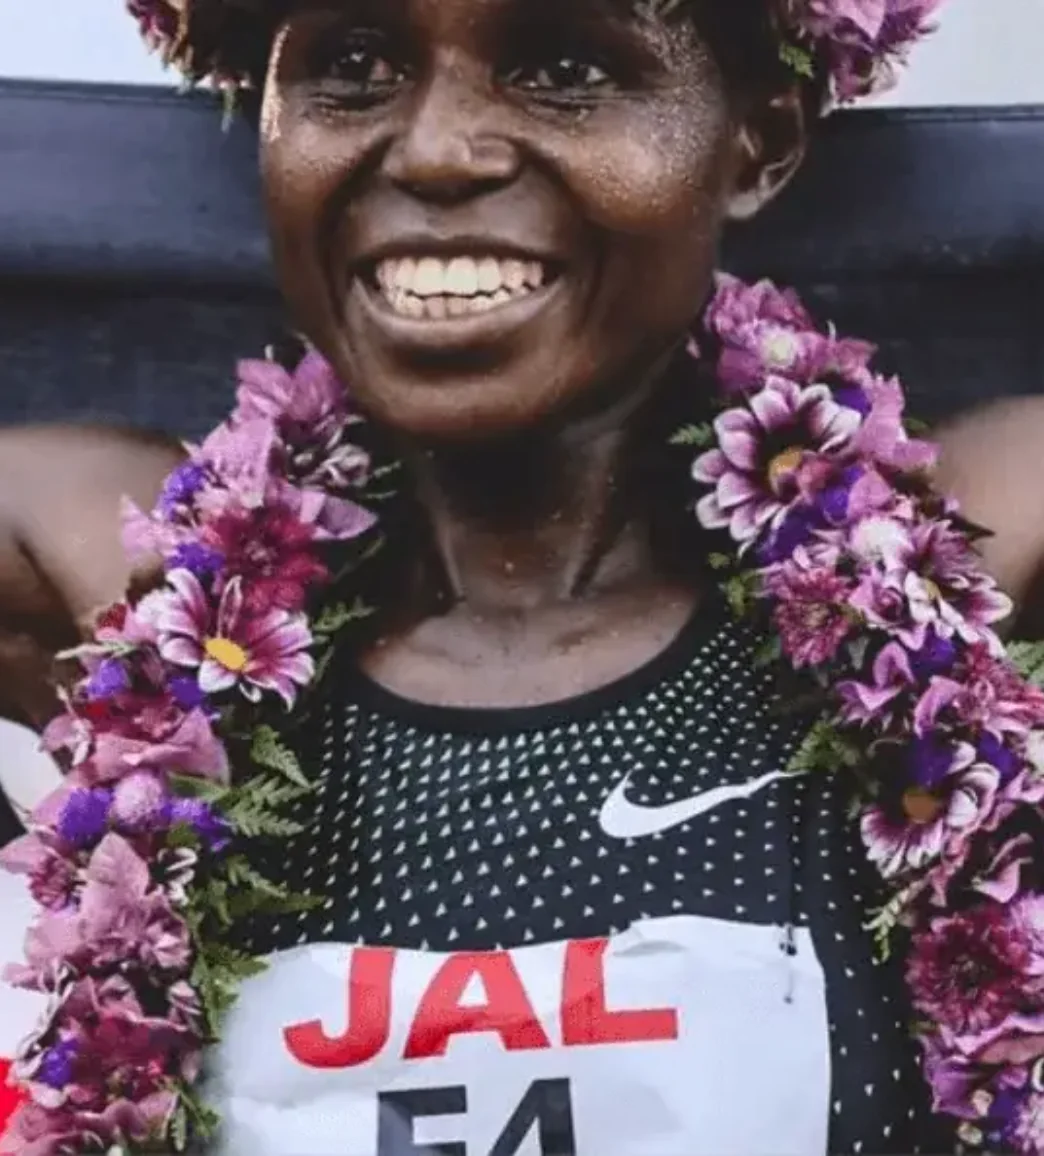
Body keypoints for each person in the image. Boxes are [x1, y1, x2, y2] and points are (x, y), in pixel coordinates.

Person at [3, 1, 1044, 1153]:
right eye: (354, 63)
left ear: (764, 139)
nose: (438, 150)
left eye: (566, 68)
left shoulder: (961, 566)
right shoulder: (140, 588)